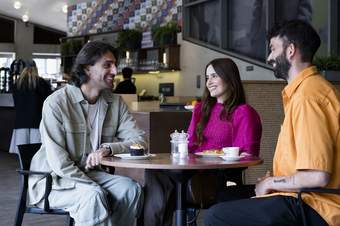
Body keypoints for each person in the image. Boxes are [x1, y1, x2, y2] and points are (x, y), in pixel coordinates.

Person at [204, 20, 340, 226]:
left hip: (317, 205)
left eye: (273, 49)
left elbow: (318, 176)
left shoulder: (308, 97)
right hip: (302, 196)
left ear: (291, 50)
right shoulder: (304, 92)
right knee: (225, 196)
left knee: (217, 216)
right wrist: (275, 180)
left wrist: (271, 182)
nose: (269, 57)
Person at [28, 41, 146, 226]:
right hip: (54, 180)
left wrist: (108, 148)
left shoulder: (115, 102)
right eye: (107, 65)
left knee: (130, 189)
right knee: (94, 196)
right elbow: (60, 163)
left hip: (93, 174)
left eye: (115, 65)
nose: (115, 71)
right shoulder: (56, 103)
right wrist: (93, 185)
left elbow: (140, 141)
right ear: (87, 68)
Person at [143, 58, 262, 226]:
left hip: (217, 177)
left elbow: (248, 155)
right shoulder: (201, 109)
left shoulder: (243, 112)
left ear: (229, 77)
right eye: (207, 77)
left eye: (214, 76)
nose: (209, 82)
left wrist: (220, 156)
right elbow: (190, 145)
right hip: (191, 172)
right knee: (154, 172)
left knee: (164, 183)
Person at [9, 60, 52, 154]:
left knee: (22, 150)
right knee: (37, 150)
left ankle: (23, 166)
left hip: (21, 120)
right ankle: (35, 166)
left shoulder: (17, 83)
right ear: (36, 69)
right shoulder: (41, 82)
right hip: (37, 120)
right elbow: (49, 99)